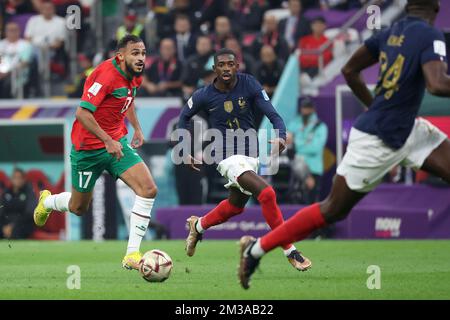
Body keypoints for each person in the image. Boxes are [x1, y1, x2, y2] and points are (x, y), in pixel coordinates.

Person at [238, 0, 450, 289]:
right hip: (379, 137)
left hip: (406, 128)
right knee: (333, 210)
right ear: (435, 8)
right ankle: (256, 249)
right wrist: (380, 111)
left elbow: (349, 70)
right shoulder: (430, 35)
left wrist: (375, 106)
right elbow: (437, 84)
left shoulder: (387, 33)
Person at [177, 48, 311, 271]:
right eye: (221, 65)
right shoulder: (204, 94)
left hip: (250, 153)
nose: (226, 68)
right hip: (224, 155)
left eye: (230, 64)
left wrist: (280, 135)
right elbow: (184, 117)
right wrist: (185, 149)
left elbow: (273, 114)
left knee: (235, 206)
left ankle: (198, 225)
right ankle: (290, 250)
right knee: (267, 194)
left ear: (236, 67)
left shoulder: (249, 84)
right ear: (215, 69)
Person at [33, 35, 158, 271]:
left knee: (148, 189)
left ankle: (132, 254)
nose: (140, 58)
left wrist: (137, 128)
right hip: (88, 149)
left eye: (143, 52)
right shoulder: (105, 76)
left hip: (116, 144)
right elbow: (82, 113)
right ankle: (48, 201)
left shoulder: (136, 75)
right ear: (121, 56)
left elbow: (127, 100)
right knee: (79, 208)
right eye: (135, 53)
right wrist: (107, 140)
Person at [286, 97, 328, 204]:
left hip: (313, 169)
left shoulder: (320, 126)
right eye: (304, 108)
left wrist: (296, 144)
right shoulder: (295, 123)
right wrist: (301, 143)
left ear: (313, 109)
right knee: (294, 200)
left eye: (308, 108)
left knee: (310, 202)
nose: (305, 110)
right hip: (296, 168)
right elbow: (287, 139)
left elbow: (315, 147)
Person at [0, 168, 36, 239]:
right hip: (5, 224)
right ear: (11, 179)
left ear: (23, 179)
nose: (17, 180)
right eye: (15, 177)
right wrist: (4, 226)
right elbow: (1, 211)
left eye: (19, 178)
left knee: (17, 230)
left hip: (22, 224)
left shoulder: (29, 192)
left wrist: (12, 226)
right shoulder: (6, 192)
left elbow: (29, 213)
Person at [0, 22, 33, 98]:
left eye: (14, 30)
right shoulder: (1, 44)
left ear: (19, 31)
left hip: (17, 73)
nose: (12, 32)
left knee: (7, 83)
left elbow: (25, 62)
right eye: (10, 30)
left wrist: (7, 72)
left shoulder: (26, 45)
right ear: (5, 32)